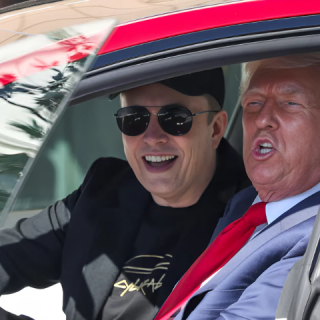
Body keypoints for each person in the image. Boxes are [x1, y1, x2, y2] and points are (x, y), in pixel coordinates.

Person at [0, 69, 249, 320]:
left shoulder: (255, 216)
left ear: (215, 129)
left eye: (174, 118)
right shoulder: (103, 189)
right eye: (134, 119)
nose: (152, 138)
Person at [155, 52, 320, 320]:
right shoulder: (245, 204)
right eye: (253, 103)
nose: (261, 118)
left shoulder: (313, 238)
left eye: (290, 102)